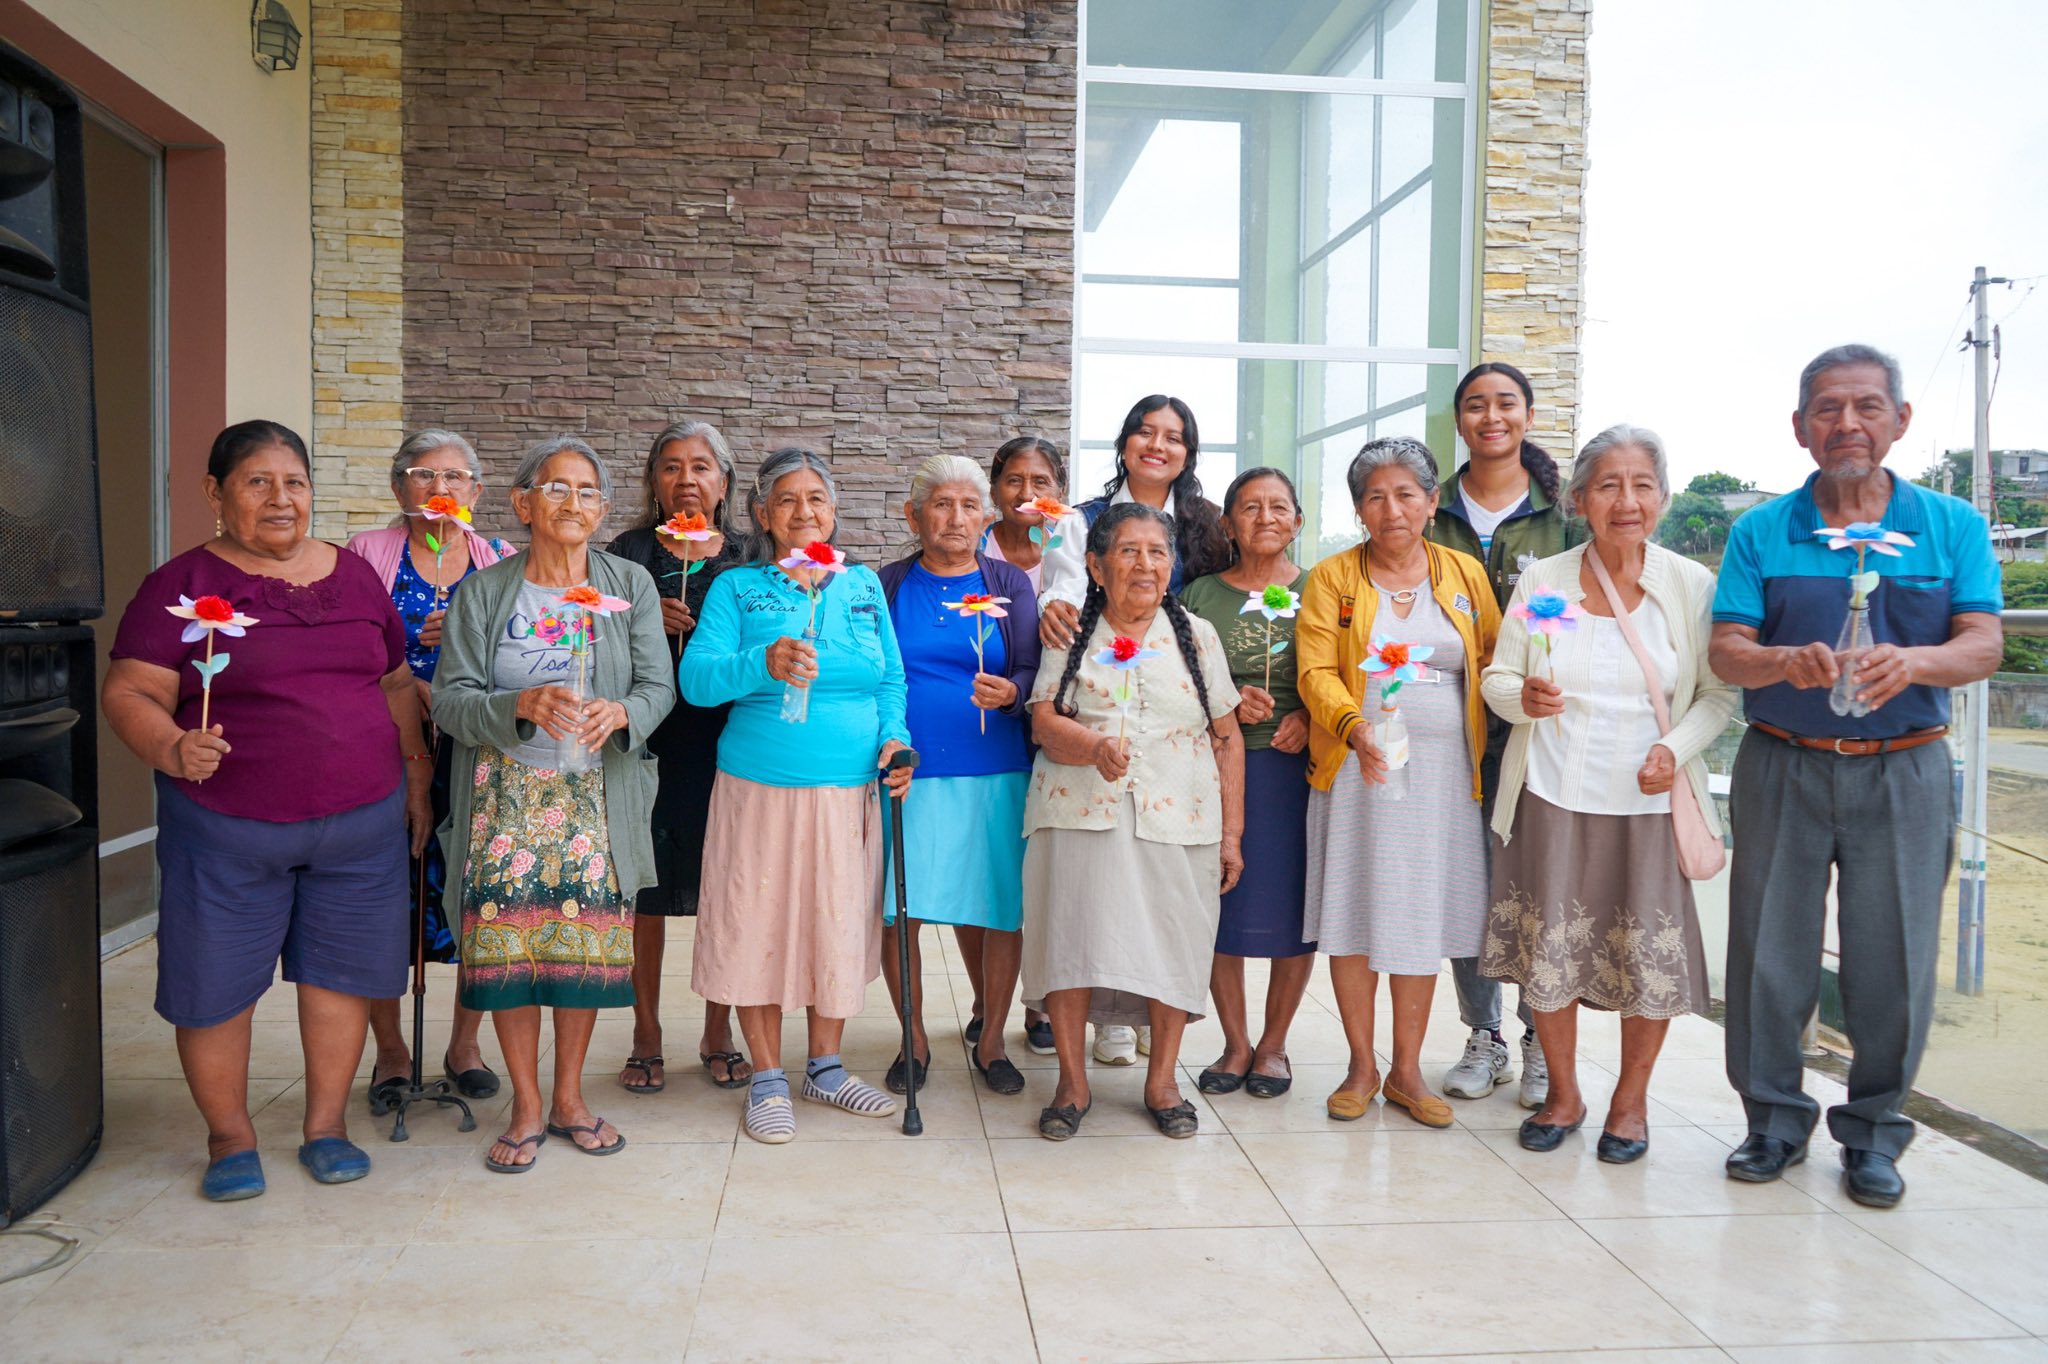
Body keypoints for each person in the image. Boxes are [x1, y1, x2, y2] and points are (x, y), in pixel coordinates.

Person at [103, 420, 432, 1201]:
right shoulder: (180, 586)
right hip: (226, 829)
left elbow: (394, 683)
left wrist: (416, 776)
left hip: (361, 824)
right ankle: (230, 1138)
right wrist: (171, 745)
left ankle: (326, 1126)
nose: (281, 498)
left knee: (341, 977)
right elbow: (130, 690)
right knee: (213, 984)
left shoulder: (356, 577)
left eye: (295, 483)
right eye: (258, 482)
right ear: (215, 494)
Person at [1710, 344, 2003, 1207]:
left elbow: (1983, 642)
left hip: (1905, 771)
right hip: (1782, 764)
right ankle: (1772, 1121)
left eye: (1867, 406)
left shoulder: (1951, 526)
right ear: (1800, 428)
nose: (1847, 424)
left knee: (1893, 959)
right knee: (1768, 953)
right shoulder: (1762, 531)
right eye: (1828, 409)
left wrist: (1914, 661)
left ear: (1899, 420)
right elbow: (1727, 649)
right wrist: (1778, 661)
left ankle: (1874, 1134)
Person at [1479, 425, 1738, 1162]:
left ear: (1662, 497)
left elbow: (1717, 696)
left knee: (1645, 960)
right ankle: (1563, 1094)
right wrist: (1522, 698)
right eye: (1609, 486)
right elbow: (1499, 677)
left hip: (1649, 805)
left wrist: (1672, 750)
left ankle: (1631, 1103)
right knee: (1549, 953)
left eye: (1642, 485)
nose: (1627, 501)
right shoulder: (1545, 581)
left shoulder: (1688, 585)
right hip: (1552, 795)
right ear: (1580, 499)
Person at [432, 436, 676, 1172]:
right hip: (503, 798)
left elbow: (658, 686)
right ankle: (527, 1104)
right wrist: (517, 705)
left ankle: (569, 1097)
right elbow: (449, 702)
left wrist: (623, 712)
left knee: (580, 954)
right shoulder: (483, 592)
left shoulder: (630, 584)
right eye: (557, 488)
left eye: (588, 491)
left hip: (595, 798)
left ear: (603, 510)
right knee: (508, 954)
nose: (574, 503)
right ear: (523, 503)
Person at [681, 448, 914, 1144]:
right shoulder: (737, 587)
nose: (803, 510)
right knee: (756, 922)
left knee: (834, 923)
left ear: (833, 511)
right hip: (760, 790)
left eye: (816, 498)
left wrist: (895, 740)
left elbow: (890, 680)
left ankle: (826, 1068)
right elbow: (697, 681)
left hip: (849, 790)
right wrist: (763, 660)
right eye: (786, 499)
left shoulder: (863, 585)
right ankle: (765, 1076)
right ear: (762, 514)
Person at [1021, 502, 1246, 1140]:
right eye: (1128, 551)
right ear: (1096, 567)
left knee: (1174, 942)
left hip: (1182, 816)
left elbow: (1226, 736)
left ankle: (1163, 1081)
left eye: (1157, 552)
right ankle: (1072, 1083)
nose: (1144, 565)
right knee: (1070, 942)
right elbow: (1043, 721)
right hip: (1077, 813)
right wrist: (1092, 747)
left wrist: (1232, 835)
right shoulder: (1071, 630)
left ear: (1172, 565)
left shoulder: (1197, 635)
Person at [1297, 437, 1500, 1128]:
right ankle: (1361, 1066)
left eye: (1407, 494)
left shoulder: (1464, 573)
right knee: (1355, 911)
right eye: (1376, 497)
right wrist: (1352, 726)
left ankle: (1407, 1071)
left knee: (1419, 913)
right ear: (1359, 510)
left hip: (1443, 779)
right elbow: (1315, 669)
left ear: (1432, 502)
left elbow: (1493, 658)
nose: (1392, 510)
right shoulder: (1332, 578)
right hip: (1359, 769)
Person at [1038, 394, 1232, 1067]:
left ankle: (1158, 1041)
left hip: (1181, 721)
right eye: (1144, 432)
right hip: (1092, 718)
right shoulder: (1079, 523)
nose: (1157, 445)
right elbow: (1059, 594)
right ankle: (1103, 1030)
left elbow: (1211, 623)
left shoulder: (1208, 526)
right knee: (1088, 914)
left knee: (1166, 915)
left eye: (1173, 436)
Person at [344, 429, 512, 1110]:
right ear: (398, 487)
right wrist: (408, 686)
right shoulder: (364, 555)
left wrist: (467, 650)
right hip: (384, 745)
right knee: (383, 897)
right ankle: (390, 1050)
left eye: (454, 477)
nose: (439, 489)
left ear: (476, 491)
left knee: (478, 894)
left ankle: (465, 1045)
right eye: (422, 475)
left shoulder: (500, 561)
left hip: (473, 748)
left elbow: (519, 659)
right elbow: (347, 649)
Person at [1427, 362, 1570, 1109]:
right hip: (1451, 734)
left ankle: (1542, 1038)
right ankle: (1483, 1034)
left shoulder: (1564, 517)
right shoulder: (1430, 511)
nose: (1491, 417)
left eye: (1505, 403)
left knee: (1538, 891)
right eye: (1476, 405)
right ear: (1459, 421)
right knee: (1469, 888)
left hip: (1538, 735)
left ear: (1528, 415)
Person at [878, 454, 1042, 1096]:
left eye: (970, 506)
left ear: (986, 517)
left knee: (1000, 907)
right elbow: (876, 671)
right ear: (914, 515)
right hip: (910, 771)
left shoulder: (1010, 582)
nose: (956, 518)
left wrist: (1012, 691)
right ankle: (913, 1038)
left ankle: (993, 1038)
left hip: (997, 768)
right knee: (902, 910)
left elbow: (1030, 666)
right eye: (942, 505)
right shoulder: (889, 584)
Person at [603, 420, 750, 1095]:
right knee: (648, 891)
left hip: (730, 740)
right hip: (649, 740)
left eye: (700, 467)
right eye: (671, 467)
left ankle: (718, 1029)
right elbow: (592, 634)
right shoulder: (627, 552)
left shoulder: (750, 556)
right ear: (654, 482)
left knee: (727, 888)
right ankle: (646, 1032)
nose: (686, 479)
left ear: (723, 482)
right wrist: (640, 618)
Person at [1179, 467, 1315, 1099]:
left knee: (1295, 911)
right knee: (1221, 906)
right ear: (1228, 524)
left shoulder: (1322, 589)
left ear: (1298, 522)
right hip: (1216, 771)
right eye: (1250, 508)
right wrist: (1229, 698)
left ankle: (1274, 1044)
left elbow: (1347, 672)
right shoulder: (1199, 594)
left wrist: (1311, 717)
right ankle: (1235, 1043)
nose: (1266, 518)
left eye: (1279, 507)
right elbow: (1177, 677)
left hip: (1297, 772)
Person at [974, 433, 1073, 1055]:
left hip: (1056, 722)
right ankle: (986, 1002)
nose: (1027, 493)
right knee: (988, 874)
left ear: (1059, 490)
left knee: (1046, 872)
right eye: (1014, 480)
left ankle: (1039, 1003)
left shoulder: (1071, 546)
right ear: (994, 488)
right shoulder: (973, 547)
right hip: (989, 723)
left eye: (1041, 483)